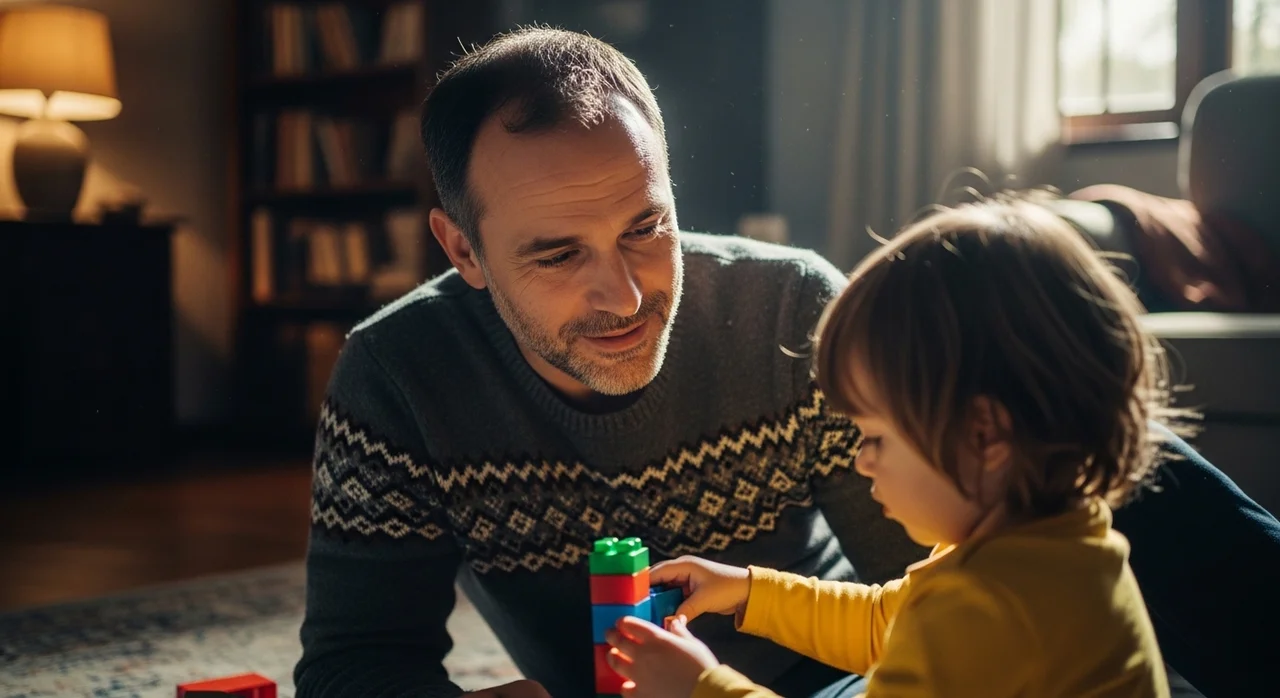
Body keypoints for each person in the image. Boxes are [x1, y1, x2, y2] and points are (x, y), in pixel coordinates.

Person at [293, 26, 1280, 698]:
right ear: (460, 249)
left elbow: (951, 581)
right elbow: (354, 664)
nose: (626, 295)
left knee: (1054, 420)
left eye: (647, 228)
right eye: (557, 253)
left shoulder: (792, 305)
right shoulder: (396, 378)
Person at [603, 193, 1183, 698]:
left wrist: (700, 689)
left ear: (984, 435)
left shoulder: (991, 609)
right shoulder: (1040, 547)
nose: (861, 459)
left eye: (877, 436)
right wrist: (748, 591)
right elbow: (887, 625)